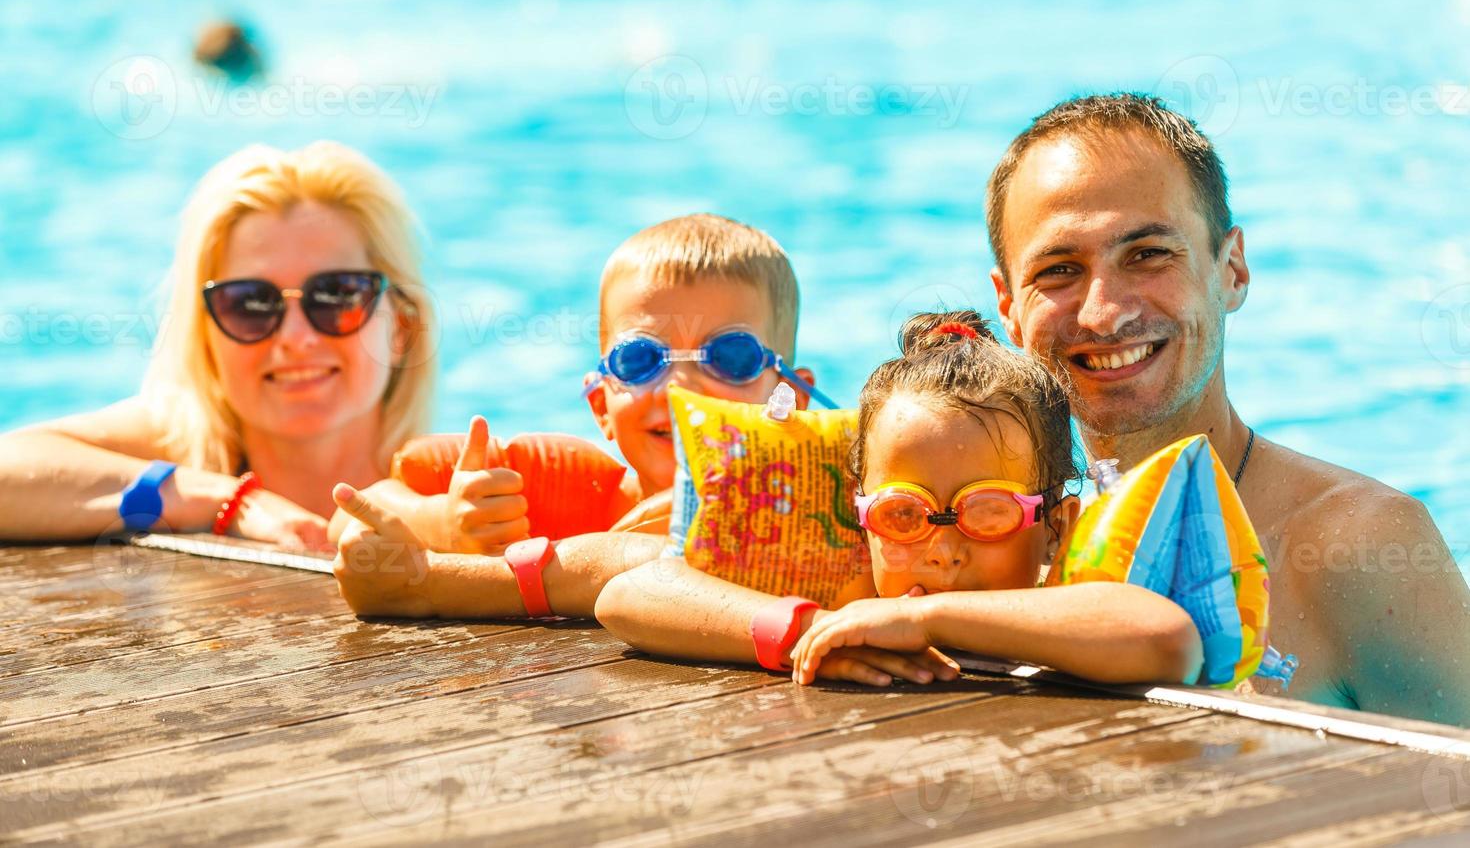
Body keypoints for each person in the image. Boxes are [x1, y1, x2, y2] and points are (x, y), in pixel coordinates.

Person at [985, 92, 1470, 724]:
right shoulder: (987, 541)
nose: (1104, 312)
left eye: (1148, 254)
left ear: (1232, 270)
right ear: (1009, 309)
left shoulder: (1360, 549)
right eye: (1058, 269)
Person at [591, 311, 1202, 687]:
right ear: (863, 518)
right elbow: (629, 595)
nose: (942, 550)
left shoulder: (1062, 605)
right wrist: (809, 633)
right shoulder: (850, 603)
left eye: (987, 510)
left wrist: (924, 619)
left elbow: (1168, 641)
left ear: (1055, 525)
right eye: (903, 514)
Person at [331, 213, 830, 616]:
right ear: (601, 408)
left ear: (792, 398)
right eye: (641, 361)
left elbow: (655, 564)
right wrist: (444, 522)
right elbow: (358, 507)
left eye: (729, 358)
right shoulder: (571, 490)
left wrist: (434, 582)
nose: (680, 390)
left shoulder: (819, 512)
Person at [0, 142, 436, 553]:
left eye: (336, 295)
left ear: (401, 327)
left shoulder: (451, 491)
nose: (295, 338)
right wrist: (229, 500)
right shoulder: (175, 445)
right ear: (205, 334)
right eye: (249, 303)